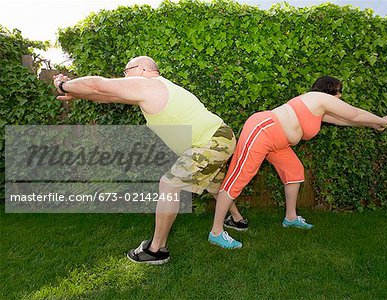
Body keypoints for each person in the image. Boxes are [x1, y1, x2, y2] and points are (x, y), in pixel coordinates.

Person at [53, 56, 245, 264]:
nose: (124, 76)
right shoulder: (154, 88)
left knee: (169, 185)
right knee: (214, 184)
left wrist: (63, 85)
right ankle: (237, 219)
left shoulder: (149, 85)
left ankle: (157, 250)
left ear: (143, 69)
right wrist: (75, 93)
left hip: (211, 141)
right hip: (218, 137)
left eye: (126, 71)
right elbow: (105, 96)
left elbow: (98, 85)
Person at [208, 76, 387, 249]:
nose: (341, 96)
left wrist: (372, 124)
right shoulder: (319, 98)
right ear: (329, 90)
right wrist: (381, 119)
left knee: (294, 170)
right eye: (339, 91)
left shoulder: (319, 108)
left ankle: (290, 217)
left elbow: (346, 120)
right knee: (238, 178)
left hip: (278, 141)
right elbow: (353, 113)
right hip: (263, 130)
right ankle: (216, 232)